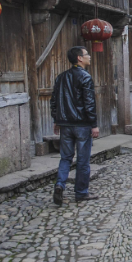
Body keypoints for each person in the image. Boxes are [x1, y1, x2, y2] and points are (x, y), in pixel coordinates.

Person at [50, 46, 100, 205]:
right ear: (79, 58)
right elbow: (89, 104)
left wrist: (56, 120)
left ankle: (60, 185)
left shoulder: (61, 77)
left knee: (65, 158)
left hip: (65, 124)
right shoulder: (85, 77)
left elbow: (54, 101)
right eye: (87, 54)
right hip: (82, 125)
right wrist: (94, 124)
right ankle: (81, 193)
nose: (89, 57)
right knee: (83, 160)